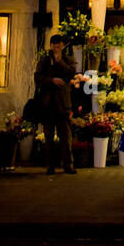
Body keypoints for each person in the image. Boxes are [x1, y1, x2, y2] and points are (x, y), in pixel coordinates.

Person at [35, 34, 82, 175]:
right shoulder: (44, 60)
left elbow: (71, 73)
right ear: (50, 45)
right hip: (48, 104)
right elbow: (38, 78)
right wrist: (51, 80)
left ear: (62, 45)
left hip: (63, 103)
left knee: (65, 137)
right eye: (54, 44)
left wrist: (59, 61)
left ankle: (68, 164)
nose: (56, 47)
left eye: (59, 44)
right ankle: (50, 166)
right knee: (48, 137)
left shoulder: (68, 59)